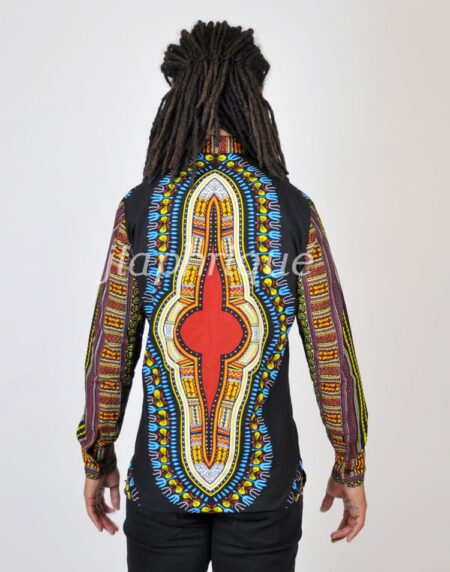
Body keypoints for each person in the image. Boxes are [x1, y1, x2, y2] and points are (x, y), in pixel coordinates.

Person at [76, 20, 368, 572]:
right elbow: (331, 351)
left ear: (177, 97)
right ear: (257, 95)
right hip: (266, 490)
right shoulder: (294, 210)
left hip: (162, 485)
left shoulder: (140, 207)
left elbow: (110, 347)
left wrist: (98, 454)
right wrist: (349, 464)